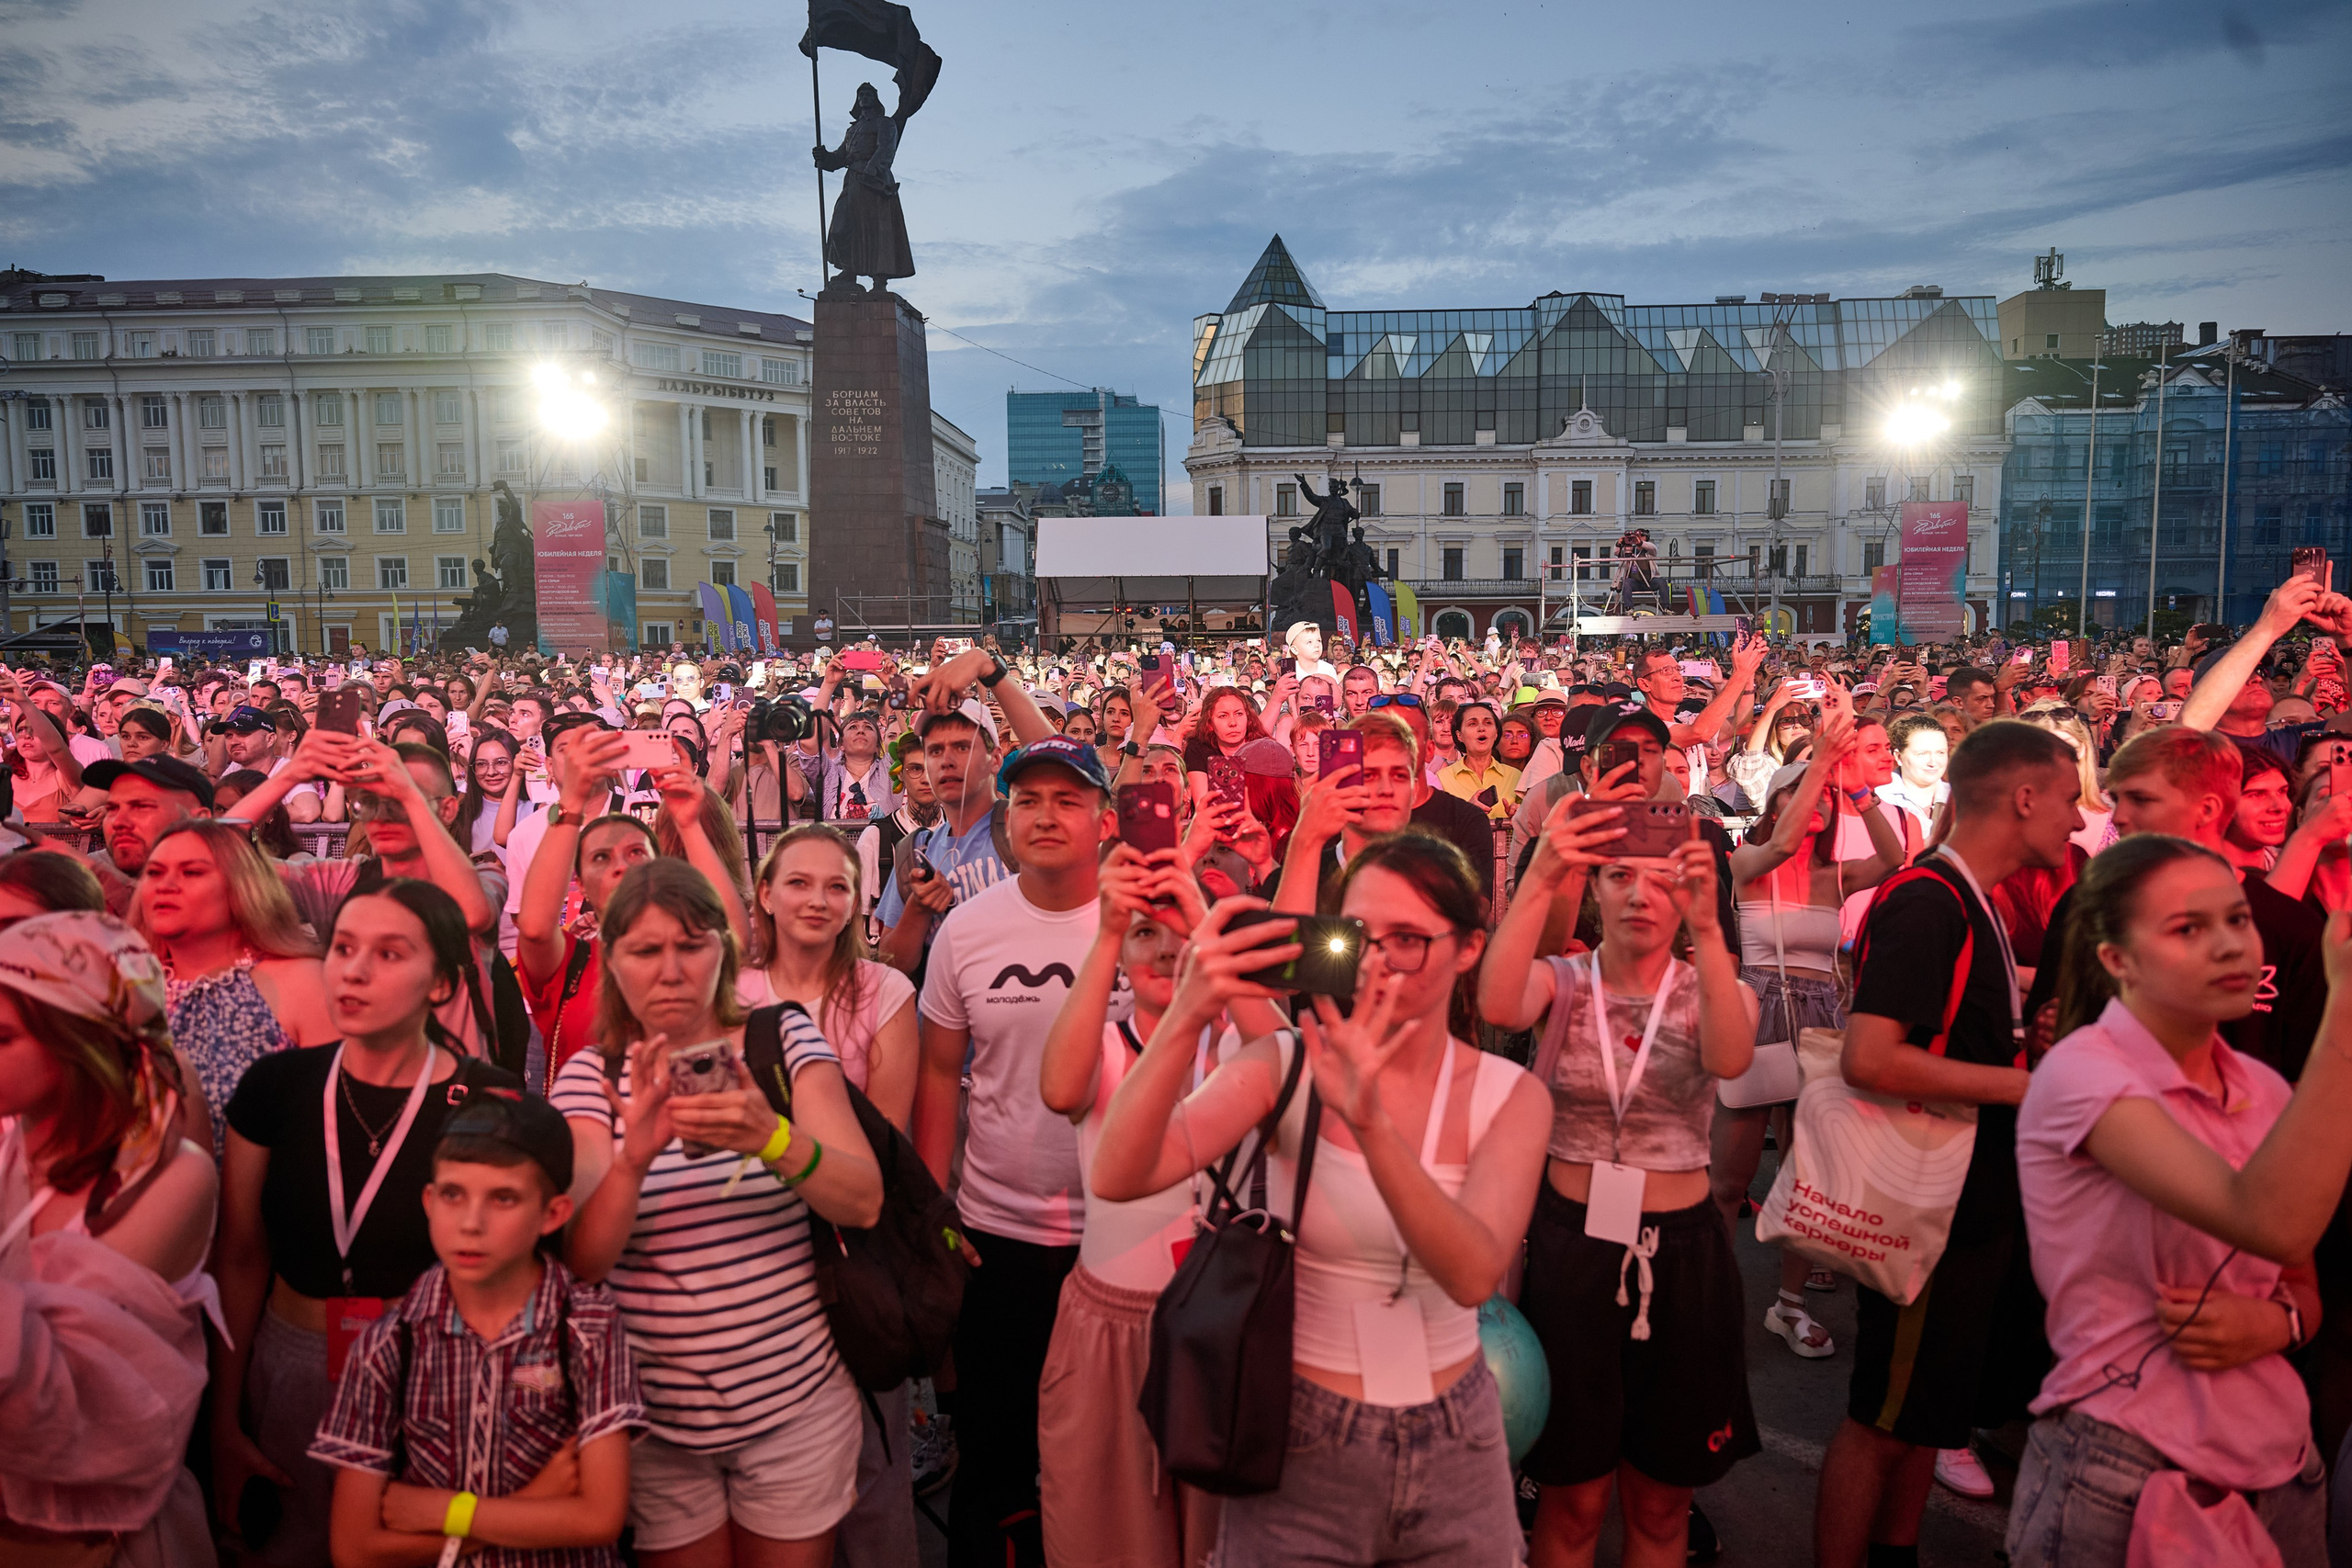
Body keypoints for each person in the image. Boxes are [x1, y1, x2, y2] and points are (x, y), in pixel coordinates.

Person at [1093, 833, 1550, 1566]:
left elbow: (1472, 1271)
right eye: (1360, 935)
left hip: (1457, 1435)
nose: (1378, 962)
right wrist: (1189, 1007)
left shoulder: (1510, 1095)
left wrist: (1369, 1125)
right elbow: (1119, 1172)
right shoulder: (1284, 1062)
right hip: (1301, 1432)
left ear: (1468, 948)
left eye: (1409, 939)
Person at [2007, 834, 2352, 1566]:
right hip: (2128, 1463)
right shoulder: (2082, 1071)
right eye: (2188, 928)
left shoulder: (2264, 1089)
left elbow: (2301, 1278)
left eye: (2237, 919)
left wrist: (2279, 1321)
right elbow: (2270, 1219)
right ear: (2116, 960)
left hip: (2284, 1462)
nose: (2231, 946)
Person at [552, 859, 883, 1568]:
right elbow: (581, 1260)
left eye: (692, 942)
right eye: (645, 949)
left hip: (796, 1406)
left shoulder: (782, 1040)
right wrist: (632, 1160)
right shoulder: (591, 1077)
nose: (670, 970)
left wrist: (775, 1138)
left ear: (724, 952)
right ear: (613, 961)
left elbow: (864, 1199)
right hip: (655, 1422)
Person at [1814, 720, 2081, 1568]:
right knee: (1883, 1415)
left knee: (1925, 1412)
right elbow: (1871, 1054)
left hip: (1964, 1201)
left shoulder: (1969, 896)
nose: (2080, 821)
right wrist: (2029, 1085)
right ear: (2025, 796)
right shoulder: (1932, 899)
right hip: (1926, 1205)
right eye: (2072, 799)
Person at [1481, 780, 1762, 1567]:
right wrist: (1542, 874)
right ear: (1596, 889)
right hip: (1573, 1250)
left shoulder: (1717, 985)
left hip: (1685, 1257)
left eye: (1664, 876)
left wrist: (1708, 929)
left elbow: (1731, 1058)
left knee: (1662, 1503)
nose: (1642, 893)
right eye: (1619, 875)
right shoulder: (1565, 983)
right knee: (1571, 1503)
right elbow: (1498, 1001)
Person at [211, 880, 524, 1567]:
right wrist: (225, 1419)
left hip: (439, 1365)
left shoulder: (490, 1098)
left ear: (442, 983)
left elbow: (514, 1281)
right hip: (292, 1361)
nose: (353, 969)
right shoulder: (277, 1085)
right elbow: (239, 1256)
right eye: (343, 947)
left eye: (389, 953)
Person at [908, 734, 1123, 1567]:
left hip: (1120, 1234)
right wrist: (935, 1215)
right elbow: (937, 1077)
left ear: (1104, 818)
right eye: (1027, 799)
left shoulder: (1143, 919)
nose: (1045, 815)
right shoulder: (968, 928)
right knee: (999, 1457)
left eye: (1068, 799)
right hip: (998, 1231)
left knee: (1112, 1452)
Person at [1035, 844, 1272, 1568]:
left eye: (1180, 936)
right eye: (1145, 933)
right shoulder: (1102, 1041)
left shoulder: (1242, 1046)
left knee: (1223, 1546)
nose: (1165, 951)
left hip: (1224, 1333)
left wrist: (1206, 931)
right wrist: (1108, 930)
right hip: (1111, 1324)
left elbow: (1291, 1056)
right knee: (1106, 1539)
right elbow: (1058, 1087)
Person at [312, 1089, 644, 1568]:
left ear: (553, 1214)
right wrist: (533, 1502)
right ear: (429, 1201)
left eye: (503, 1198)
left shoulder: (587, 1326)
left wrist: (444, 1510)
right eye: (453, 1194)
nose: (471, 1223)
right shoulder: (388, 1345)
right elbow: (356, 1549)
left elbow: (598, 1518)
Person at [0, 912, 220, 1568]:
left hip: (98, 1543)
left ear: (78, 1040)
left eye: (3, 1036)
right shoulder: (11, 1148)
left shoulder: (174, 1177)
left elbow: (49, 1392)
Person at [1716, 718, 1905, 1362]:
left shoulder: (1837, 873)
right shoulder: (1748, 859)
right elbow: (1781, 842)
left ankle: (1788, 1307)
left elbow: (1894, 858)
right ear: (1776, 804)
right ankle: (1706, 1299)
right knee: (1731, 1175)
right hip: (1759, 1013)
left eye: (1823, 797)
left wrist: (1858, 794)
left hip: (1821, 1020)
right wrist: (1818, 766)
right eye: (1805, 794)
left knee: (1808, 1176)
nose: (1818, 804)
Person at [518, 729, 746, 1076]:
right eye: (600, 857)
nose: (621, 865)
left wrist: (687, 823)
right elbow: (534, 930)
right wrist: (574, 802)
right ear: (578, 882)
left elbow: (735, 935)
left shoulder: (685, 942)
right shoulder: (574, 956)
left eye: (636, 851)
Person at [131, 818, 335, 1155]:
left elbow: (333, 1128)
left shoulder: (304, 981)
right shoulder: (122, 986)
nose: (165, 885)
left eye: (192, 872)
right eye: (153, 872)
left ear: (243, 888)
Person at [1439, 699, 1521, 822]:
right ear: (1459, 735)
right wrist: (1465, 812)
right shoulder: (1443, 779)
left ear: (1497, 733)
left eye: (1488, 723)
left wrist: (1519, 815)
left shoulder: (1516, 776)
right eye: (1472, 724)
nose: (1481, 728)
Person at [1879, 711, 1950, 833]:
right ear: (1898, 757)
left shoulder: (1960, 797)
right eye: (1922, 754)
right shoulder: (1880, 798)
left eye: (1940, 753)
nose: (1933, 762)